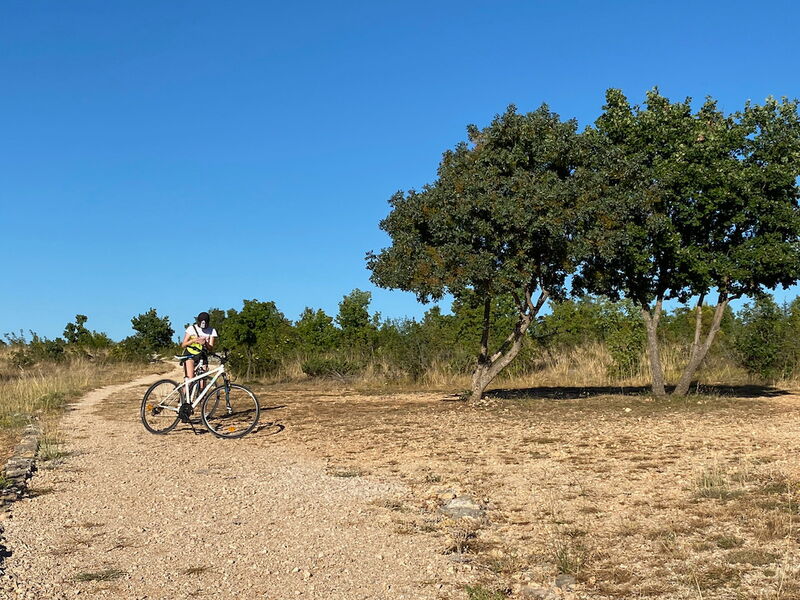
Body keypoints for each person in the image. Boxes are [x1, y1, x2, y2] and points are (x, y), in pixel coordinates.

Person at [179, 311, 218, 383]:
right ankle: (186, 389)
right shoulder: (191, 328)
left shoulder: (212, 330)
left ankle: (200, 389)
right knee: (190, 379)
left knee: (203, 381)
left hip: (202, 355)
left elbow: (210, 348)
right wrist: (194, 340)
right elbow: (183, 344)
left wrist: (205, 343)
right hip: (190, 354)